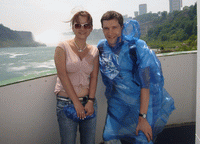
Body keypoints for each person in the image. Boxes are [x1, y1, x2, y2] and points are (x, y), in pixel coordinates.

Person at [97, 11, 175, 144]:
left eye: (114, 27)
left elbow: (146, 84)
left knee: (143, 138)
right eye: (106, 28)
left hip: (142, 101)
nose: (110, 33)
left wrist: (142, 118)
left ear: (122, 27)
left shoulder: (137, 47)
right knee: (109, 136)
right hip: (118, 101)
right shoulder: (102, 47)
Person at [54, 11, 99, 144]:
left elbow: (94, 77)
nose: (82, 29)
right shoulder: (62, 47)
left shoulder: (94, 51)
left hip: (88, 104)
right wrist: (76, 103)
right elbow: (62, 75)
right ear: (73, 27)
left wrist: (90, 101)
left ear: (91, 28)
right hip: (66, 104)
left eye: (86, 25)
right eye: (78, 25)